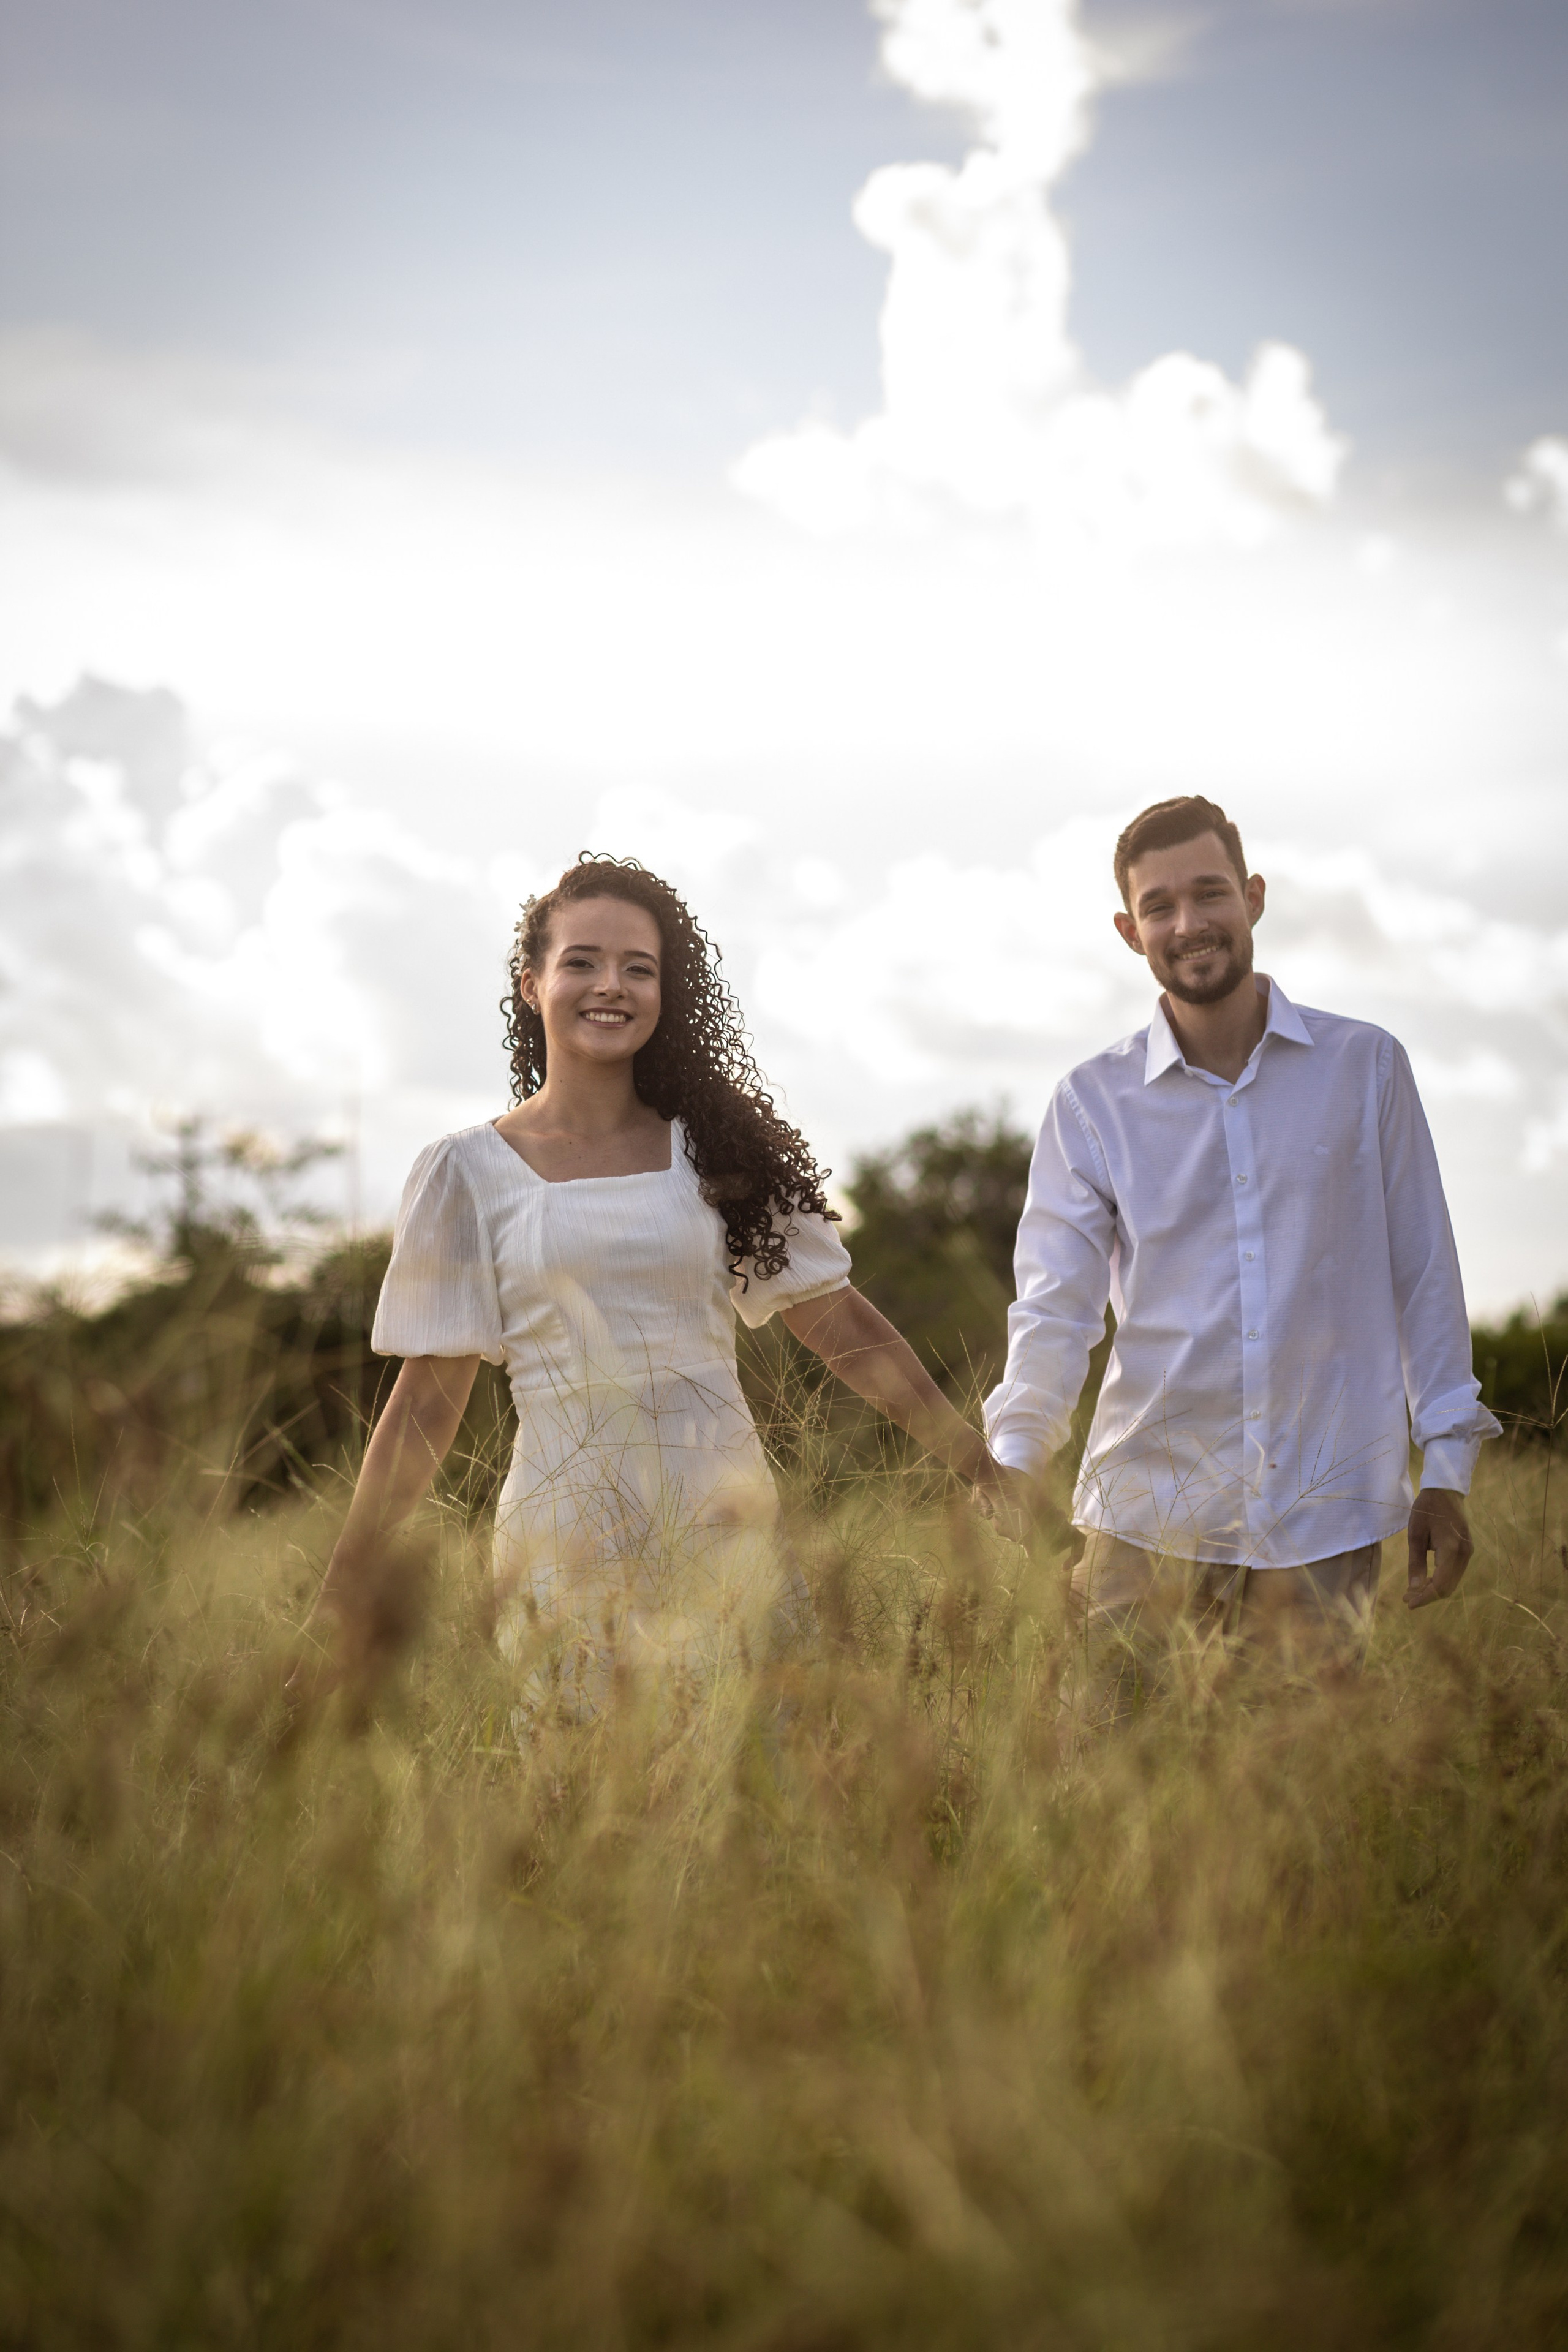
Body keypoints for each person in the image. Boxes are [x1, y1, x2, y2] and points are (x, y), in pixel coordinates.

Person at [311, 853, 1012, 1714]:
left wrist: (979, 1464)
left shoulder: (720, 1149)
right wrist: (348, 1581)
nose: (612, 986)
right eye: (582, 962)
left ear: (665, 992)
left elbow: (837, 1321)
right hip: (561, 1547)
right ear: (532, 985)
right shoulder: (464, 1171)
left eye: (638, 968)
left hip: (730, 1531)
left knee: (757, 1807)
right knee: (587, 1816)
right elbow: (426, 1399)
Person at [984, 795, 1499, 1726]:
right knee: (1119, 1819)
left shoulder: (1368, 1068)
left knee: (1291, 1838)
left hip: (1325, 1523)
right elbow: (1056, 1311)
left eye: (1210, 893)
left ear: (1253, 897)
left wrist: (1448, 1471)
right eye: (1159, 907)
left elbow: (1422, 1275)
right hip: (1142, 1526)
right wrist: (1018, 1461)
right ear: (1127, 929)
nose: (1189, 925)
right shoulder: (1091, 1103)